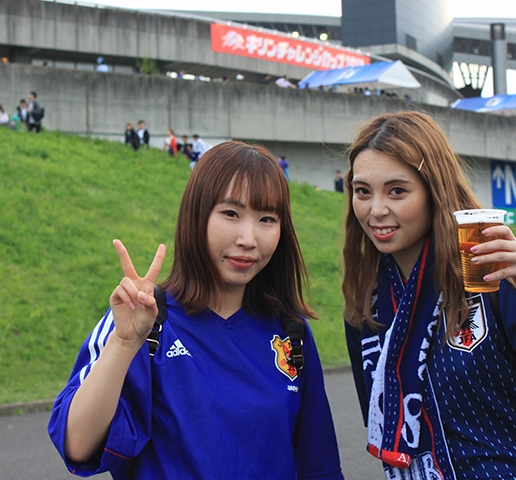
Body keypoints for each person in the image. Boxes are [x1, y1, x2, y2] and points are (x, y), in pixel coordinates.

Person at [48, 141, 344, 480]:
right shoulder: (146, 322)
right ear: (196, 216)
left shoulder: (292, 332)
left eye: (267, 219)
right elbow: (77, 445)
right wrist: (124, 343)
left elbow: (320, 468)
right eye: (231, 214)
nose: (248, 239)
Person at [341, 111, 516, 480]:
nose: (376, 210)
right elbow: (379, 418)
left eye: (397, 191)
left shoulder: (488, 269)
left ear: (434, 190)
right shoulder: (367, 304)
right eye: (363, 191)